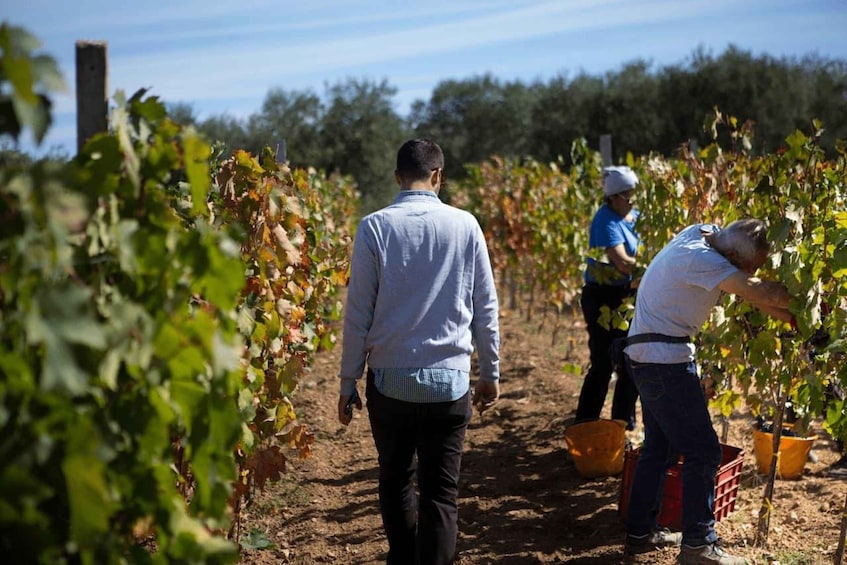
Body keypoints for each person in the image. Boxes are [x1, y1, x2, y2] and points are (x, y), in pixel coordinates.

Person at [337, 138, 501, 565]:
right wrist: (491, 374)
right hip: (451, 383)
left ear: (397, 177)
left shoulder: (374, 227)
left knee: (395, 482)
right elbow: (485, 305)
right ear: (438, 176)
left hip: (389, 383)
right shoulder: (466, 225)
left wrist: (347, 379)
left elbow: (358, 309)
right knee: (442, 495)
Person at [621, 219, 792, 564]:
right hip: (664, 362)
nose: (750, 273)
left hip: (645, 354)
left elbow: (753, 293)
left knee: (660, 447)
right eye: (750, 267)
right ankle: (699, 545)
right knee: (703, 452)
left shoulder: (704, 233)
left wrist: (791, 318)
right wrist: (809, 304)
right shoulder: (703, 260)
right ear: (731, 255)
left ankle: (640, 532)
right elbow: (759, 291)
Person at [574, 165, 641, 430]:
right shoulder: (605, 220)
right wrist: (657, 268)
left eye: (634, 194)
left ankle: (622, 425)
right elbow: (624, 263)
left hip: (628, 296)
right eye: (627, 195)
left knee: (630, 361)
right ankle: (585, 425)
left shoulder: (635, 216)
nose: (632, 200)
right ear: (613, 197)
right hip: (603, 298)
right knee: (603, 364)